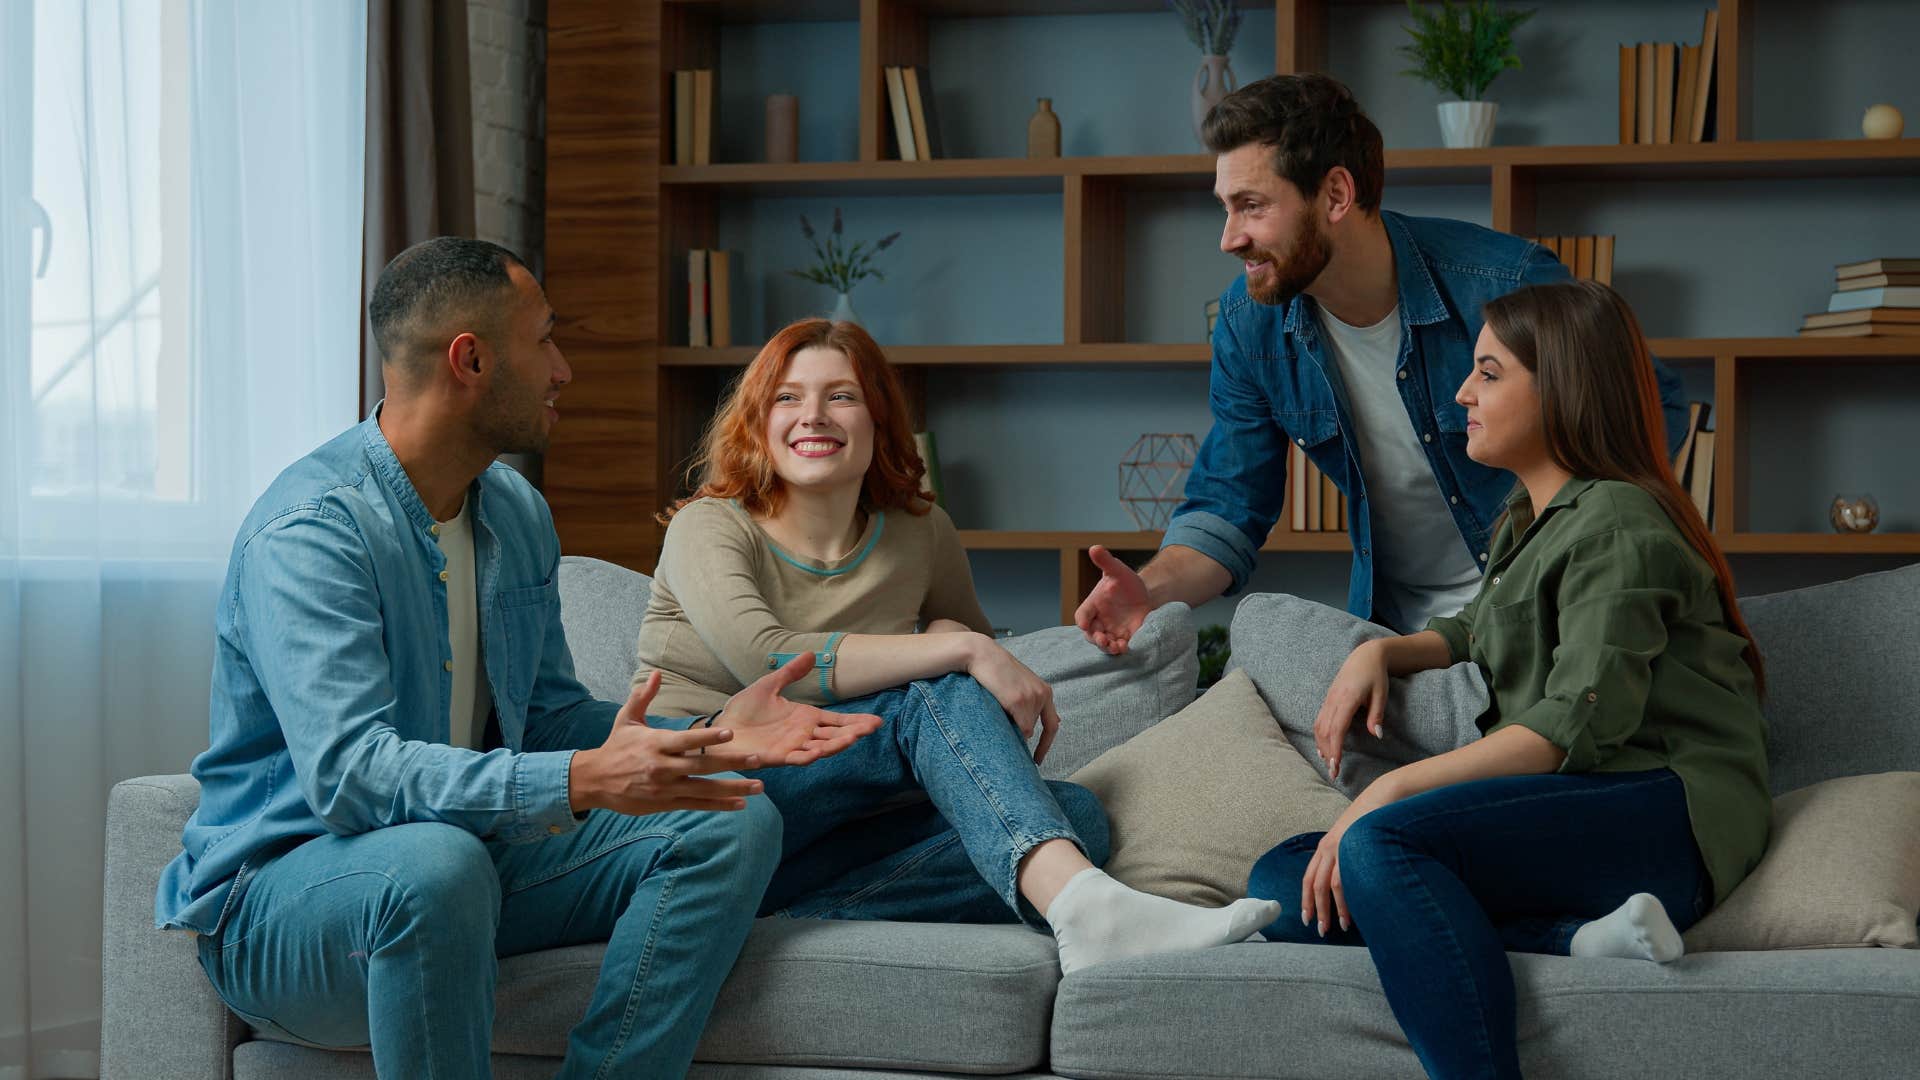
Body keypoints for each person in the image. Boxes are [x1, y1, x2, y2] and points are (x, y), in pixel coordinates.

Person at [156, 237, 884, 1078]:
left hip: (460, 863)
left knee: (729, 817)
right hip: (286, 905)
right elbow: (352, 777)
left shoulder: (513, 510)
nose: (563, 369)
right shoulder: (314, 531)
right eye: (544, 339)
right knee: (435, 864)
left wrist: (713, 734)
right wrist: (577, 780)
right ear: (470, 361)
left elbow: (545, 716)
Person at [636, 317, 1281, 975]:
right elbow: (770, 661)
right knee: (936, 689)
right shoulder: (708, 525)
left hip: (816, 832)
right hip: (708, 787)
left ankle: (782, 916)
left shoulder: (922, 531)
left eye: (842, 395)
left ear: (880, 418)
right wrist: (963, 651)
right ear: (757, 419)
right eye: (787, 397)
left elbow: (968, 678)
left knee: (1076, 819)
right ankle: (1090, 911)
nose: (814, 415)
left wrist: (957, 639)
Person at [1244, 280, 1771, 1080]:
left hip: (1665, 811)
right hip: (1590, 814)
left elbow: (1575, 724)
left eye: (1488, 373)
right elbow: (1481, 631)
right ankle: (1579, 936)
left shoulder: (1621, 522)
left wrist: (1391, 791)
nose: (1462, 392)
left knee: (1379, 842)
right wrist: (1381, 652)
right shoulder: (1528, 521)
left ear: (1560, 386)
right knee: (1285, 879)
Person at [1076, 73, 1690, 652]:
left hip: (1544, 625)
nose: (1229, 237)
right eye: (1225, 207)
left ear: (1337, 194)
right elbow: (1229, 501)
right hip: (1395, 636)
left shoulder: (1504, 285)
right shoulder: (1249, 320)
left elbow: (1647, 408)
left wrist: (1561, 550)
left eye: (1252, 205)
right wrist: (1147, 592)